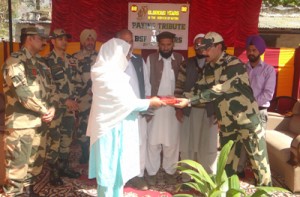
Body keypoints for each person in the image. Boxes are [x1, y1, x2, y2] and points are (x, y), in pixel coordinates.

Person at [174, 32, 272, 186]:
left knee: (259, 165)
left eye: (207, 48)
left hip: (247, 122)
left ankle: (266, 193)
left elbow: (218, 89)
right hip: (227, 123)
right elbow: (200, 87)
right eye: (202, 49)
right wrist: (180, 99)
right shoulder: (209, 67)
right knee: (227, 164)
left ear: (219, 47)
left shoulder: (233, 64)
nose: (204, 52)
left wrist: (189, 100)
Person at [87, 38, 165, 197]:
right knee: (108, 172)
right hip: (108, 131)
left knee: (117, 170)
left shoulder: (112, 74)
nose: (129, 58)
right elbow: (127, 103)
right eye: (126, 54)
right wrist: (151, 102)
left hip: (117, 127)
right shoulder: (106, 76)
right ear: (116, 55)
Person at [1, 26, 55, 197]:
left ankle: (28, 192)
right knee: (16, 170)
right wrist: (45, 110)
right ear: (29, 38)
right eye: (41, 38)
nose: (44, 41)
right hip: (21, 125)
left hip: (40, 122)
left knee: (34, 164)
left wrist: (52, 107)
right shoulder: (15, 61)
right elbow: (22, 94)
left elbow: (51, 89)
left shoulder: (41, 63)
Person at [174, 33, 218, 176]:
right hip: (189, 110)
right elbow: (179, 87)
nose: (200, 47)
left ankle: (207, 177)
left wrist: (219, 111)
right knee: (187, 144)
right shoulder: (186, 64)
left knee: (208, 145)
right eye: (197, 45)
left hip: (209, 111)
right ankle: (187, 176)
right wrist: (178, 109)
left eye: (202, 44)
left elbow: (220, 89)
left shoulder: (215, 64)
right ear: (193, 47)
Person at [145, 31, 184, 185]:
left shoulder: (180, 59)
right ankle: (152, 173)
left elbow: (183, 83)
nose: (166, 48)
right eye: (163, 45)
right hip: (156, 107)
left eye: (169, 44)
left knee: (172, 143)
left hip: (173, 109)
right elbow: (147, 85)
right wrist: (148, 105)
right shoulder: (151, 59)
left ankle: (170, 172)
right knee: (153, 142)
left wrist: (180, 106)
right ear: (158, 45)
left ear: (173, 44)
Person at [115, 29, 151, 190]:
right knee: (120, 144)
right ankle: (120, 176)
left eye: (130, 41)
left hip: (138, 111)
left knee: (140, 143)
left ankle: (138, 175)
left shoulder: (138, 61)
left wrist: (148, 106)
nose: (128, 45)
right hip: (119, 113)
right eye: (124, 41)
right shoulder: (111, 62)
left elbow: (147, 85)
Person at [46, 28, 81, 186]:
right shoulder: (46, 61)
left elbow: (76, 82)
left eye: (65, 38)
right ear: (52, 41)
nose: (64, 41)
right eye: (60, 39)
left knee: (67, 139)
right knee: (54, 140)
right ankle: (53, 174)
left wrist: (75, 100)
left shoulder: (71, 60)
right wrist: (64, 100)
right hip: (55, 108)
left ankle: (63, 168)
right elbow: (47, 88)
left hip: (69, 108)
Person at [237, 35, 276, 177]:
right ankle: (239, 170)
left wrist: (250, 103)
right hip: (242, 112)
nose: (251, 53)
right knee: (241, 142)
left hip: (259, 113)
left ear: (260, 51)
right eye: (249, 50)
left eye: (254, 50)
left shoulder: (268, 70)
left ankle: (259, 175)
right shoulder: (242, 68)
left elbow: (268, 94)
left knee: (257, 144)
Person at [72, 29, 98, 164]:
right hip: (82, 98)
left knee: (97, 125)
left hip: (98, 98)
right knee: (83, 125)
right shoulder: (75, 58)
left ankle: (95, 152)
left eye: (92, 39)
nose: (90, 42)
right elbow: (71, 79)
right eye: (87, 39)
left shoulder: (101, 57)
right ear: (82, 41)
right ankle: (84, 153)